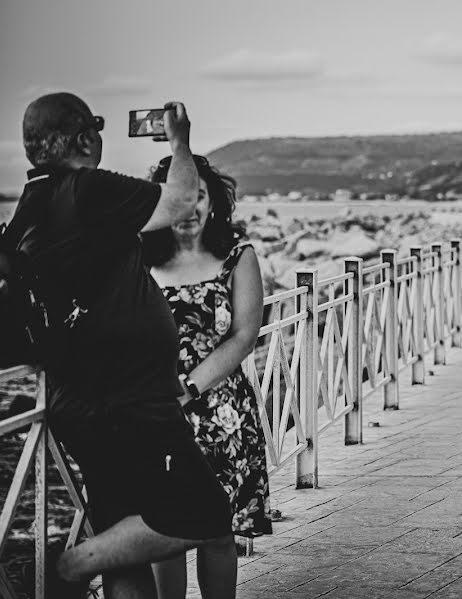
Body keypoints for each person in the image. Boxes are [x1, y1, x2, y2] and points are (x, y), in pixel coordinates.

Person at [16, 93, 237, 599]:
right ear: (84, 138)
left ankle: (90, 559)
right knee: (206, 516)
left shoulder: (34, 202)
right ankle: (70, 565)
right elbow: (179, 200)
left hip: (80, 399)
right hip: (132, 401)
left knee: (124, 529)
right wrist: (180, 140)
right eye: (94, 127)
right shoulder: (88, 188)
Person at [142, 155, 272, 599]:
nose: (189, 207)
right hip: (155, 418)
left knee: (218, 533)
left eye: (199, 195)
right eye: (178, 196)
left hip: (222, 417)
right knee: (165, 535)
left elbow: (243, 336)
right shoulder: (139, 262)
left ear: (213, 200)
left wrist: (189, 387)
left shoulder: (237, 256)